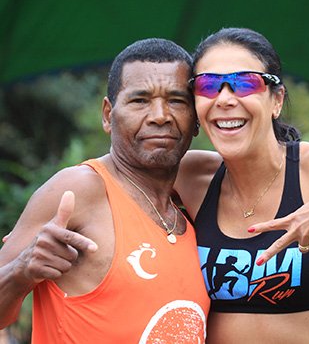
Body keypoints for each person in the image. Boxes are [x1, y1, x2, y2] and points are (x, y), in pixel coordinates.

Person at [173, 27, 309, 343]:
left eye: (245, 84)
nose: (225, 98)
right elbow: (110, 183)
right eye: (208, 85)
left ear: (276, 100)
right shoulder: (189, 176)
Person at [0, 38, 210, 343]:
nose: (160, 115)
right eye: (140, 100)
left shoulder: (189, 206)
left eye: (177, 101)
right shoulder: (80, 189)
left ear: (196, 119)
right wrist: (21, 271)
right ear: (108, 114)